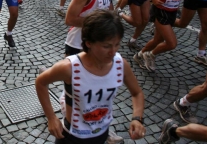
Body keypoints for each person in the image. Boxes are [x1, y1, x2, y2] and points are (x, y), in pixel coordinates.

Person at [36, 9, 146, 144]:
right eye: (106, 46)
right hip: (72, 137)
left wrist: (137, 118)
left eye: (117, 44)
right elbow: (40, 82)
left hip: (101, 134)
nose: (113, 52)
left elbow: (137, 93)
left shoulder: (120, 64)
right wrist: (51, 118)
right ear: (88, 43)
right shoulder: (69, 67)